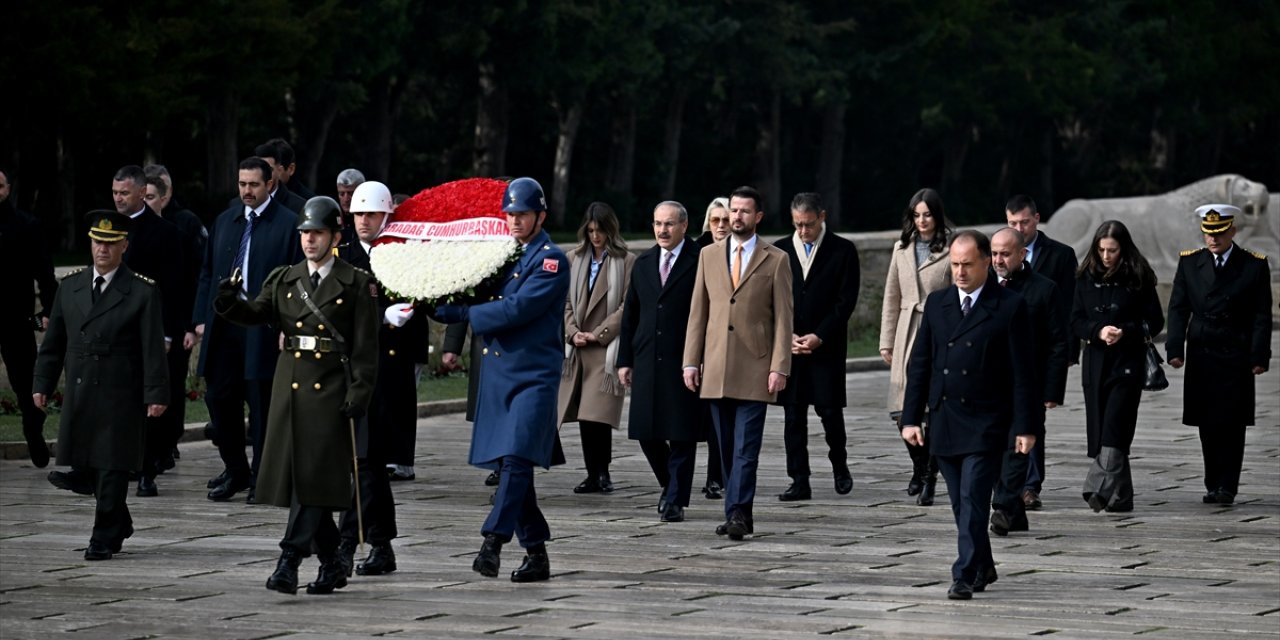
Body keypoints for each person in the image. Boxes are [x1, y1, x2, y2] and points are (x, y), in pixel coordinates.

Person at [214, 196, 379, 595]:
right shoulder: (284, 278)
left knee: (312, 476)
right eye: (305, 232)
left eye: (318, 233)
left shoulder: (356, 282)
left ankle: (288, 560)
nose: (309, 240)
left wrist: (359, 394)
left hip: (331, 390)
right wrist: (228, 301)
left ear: (335, 236)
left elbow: (365, 349)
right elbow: (256, 314)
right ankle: (332, 561)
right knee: (303, 481)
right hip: (291, 387)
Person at [432, 177, 570, 583]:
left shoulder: (551, 260)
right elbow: (477, 288)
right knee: (515, 465)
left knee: (515, 458)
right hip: (500, 375)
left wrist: (463, 316)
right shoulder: (503, 254)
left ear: (540, 216)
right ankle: (537, 553)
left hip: (533, 376)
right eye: (509, 213)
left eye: (522, 214)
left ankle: (491, 542)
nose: (514, 221)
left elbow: (518, 308)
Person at [900, 230, 1037, 600]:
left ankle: (962, 573)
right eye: (955, 265)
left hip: (987, 422)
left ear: (985, 263)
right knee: (962, 504)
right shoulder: (938, 304)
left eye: (967, 264)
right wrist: (911, 418)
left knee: (975, 499)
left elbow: (1024, 373)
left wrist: (1026, 426)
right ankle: (984, 565)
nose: (959, 272)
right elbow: (921, 365)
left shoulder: (1009, 305)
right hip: (944, 420)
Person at [33, 210, 169, 560]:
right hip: (81, 388)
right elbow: (54, 343)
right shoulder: (71, 286)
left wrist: (156, 393)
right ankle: (119, 520)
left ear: (124, 245)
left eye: (110, 243)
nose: (102, 250)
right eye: (97, 242)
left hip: (119, 389)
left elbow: (152, 347)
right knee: (88, 464)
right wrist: (42, 384)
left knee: (111, 465)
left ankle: (104, 536)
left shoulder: (141, 291)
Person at [683, 185, 793, 541]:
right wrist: (691, 361)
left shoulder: (775, 259)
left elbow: (784, 319)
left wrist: (780, 365)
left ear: (758, 217)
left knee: (746, 447)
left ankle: (737, 514)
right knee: (727, 447)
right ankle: (739, 512)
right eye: (734, 210)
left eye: (745, 211)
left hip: (756, 367)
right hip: (715, 366)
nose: (737, 217)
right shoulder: (708, 256)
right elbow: (698, 312)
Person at [194, 157, 303, 503]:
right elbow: (208, 272)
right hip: (224, 324)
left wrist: (288, 323)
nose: (246, 191)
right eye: (241, 184)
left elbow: (293, 279)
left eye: (253, 184)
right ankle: (235, 469)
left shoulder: (288, 224)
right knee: (219, 397)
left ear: (270, 184)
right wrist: (201, 316)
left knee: (261, 402)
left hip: (262, 325)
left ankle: (262, 476)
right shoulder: (227, 220)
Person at [335, 180, 428, 576]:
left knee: (367, 460)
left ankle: (347, 544)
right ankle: (379, 545)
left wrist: (396, 317)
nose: (363, 221)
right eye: (358, 214)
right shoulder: (344, 255)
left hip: (384, 373)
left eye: (371, 214)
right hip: (349, 369)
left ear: (387, 215)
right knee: (364, 463)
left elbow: (418, 298)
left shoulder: (401, 255)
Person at [1166, 205, 1272, 505]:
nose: (1213, 239)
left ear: (1233, 232)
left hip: (1234, 349)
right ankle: (1213, 482)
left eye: (1220, 233)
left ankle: (1228, 484)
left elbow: (1261, 315)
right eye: (1208, 233)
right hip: (1202, 349)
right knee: (1207, 420)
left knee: (1232, 421)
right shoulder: (1190, 263)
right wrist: (1175, 348)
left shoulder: (1253, 265)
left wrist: (1259, 355)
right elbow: (1177, 307)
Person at [618, 201, 703, 522]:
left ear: (683, 226)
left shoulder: (701, 260)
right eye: (657, 224)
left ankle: (675, 500)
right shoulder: (644, 262)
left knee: (681, 433)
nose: (662, 230)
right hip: (646, 358)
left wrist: (701, 357)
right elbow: (631, 313)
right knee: (646, 431)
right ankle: (671, 486)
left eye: (669, 224)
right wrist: (625, 359)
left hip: (684, 360)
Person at [1071, 220, 1163, 513]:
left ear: (1124, 249)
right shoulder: (1084, 278)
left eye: (1112, 250)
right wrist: (1097, 331)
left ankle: (1097, 486)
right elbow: (1074, 321)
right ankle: (1122, 498)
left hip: (1127, 363)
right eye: (1101, 250)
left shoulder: (1139, 277)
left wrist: (1125, 331)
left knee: (1115, 424)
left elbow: (1156, 321)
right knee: (1103, 429)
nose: (1106, 256)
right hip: (1095, 363)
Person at [774, 192, 860, 501]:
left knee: (830, 412)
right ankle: (799, 479)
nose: (803, 231)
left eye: (808, 225)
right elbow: (774, 300)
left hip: (827, 346)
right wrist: (787, 337)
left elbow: (845, 300)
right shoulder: (781, 250)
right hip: (792, 346)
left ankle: (840, 464)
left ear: (821, 217)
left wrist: (820, 335)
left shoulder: (843, 250)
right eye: (797, 225)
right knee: (793, 416)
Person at [112, 165, 187, 498]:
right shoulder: (108, 228)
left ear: (143, 193)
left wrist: (170, 333)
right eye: (115, 193)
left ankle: (148, 467)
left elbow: (173, 287)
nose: (118, 199)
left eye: (124, 193)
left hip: (151, 329)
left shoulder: (166, 233)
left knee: (151, 402)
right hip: (115, 330)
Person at [987, 228, 1068, 536]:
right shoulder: (983, 287)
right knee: (994, 448)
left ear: (1022, 254)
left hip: (1028, 385)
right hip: (989, 385)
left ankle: (1004, 507)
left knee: (1019, 448)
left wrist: (1052, 390)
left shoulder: (1044, 290)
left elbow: (1059, 343)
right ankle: (1016, 513)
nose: (998, 260)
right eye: (994, 253)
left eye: (1005, 254)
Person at [879, 188, 952, 506]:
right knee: (901, 411)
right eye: (916, 215)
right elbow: (891, 296)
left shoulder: (952, 248)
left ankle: (931, 477)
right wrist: (886, 339)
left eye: (927, 214)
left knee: (932, 410)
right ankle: (920, 466)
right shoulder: (901, 248)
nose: (922, 221)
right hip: (907, 332)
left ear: (937, 215)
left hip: (939, 333)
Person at [1005, 194, 1078, 509]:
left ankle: (1030, 485)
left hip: (1039, 356)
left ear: (1037, 218)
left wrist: (1062, 365)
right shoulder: (998, 254)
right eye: (1012, 223)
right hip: (1004, 358)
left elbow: (1069, 311)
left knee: (1032, 421)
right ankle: (1008, 481)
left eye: (1024, 221)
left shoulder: (1060, 256)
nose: (1019, 227)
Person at [558, 202, 635, 494]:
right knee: (584, 415)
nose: (595, 236)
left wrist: (598, 334)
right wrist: (573, 332)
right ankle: (593, 473)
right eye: (590, 231)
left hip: (606, 349)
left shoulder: (626, 261)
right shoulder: (573, 259)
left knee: (597, 414)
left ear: (610, 229)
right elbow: (565, 302)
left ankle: (602, 473)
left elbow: (628, 306)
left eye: (600, 230)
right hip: (577, 349)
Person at [144, 165, 208, 469]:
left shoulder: (185, 224)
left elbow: (196, 277)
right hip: (146, 321)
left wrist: (190, 324)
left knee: (171, 385)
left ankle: (167, 443)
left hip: (176, 319)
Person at [0, 168, 57, 468]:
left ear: (7, 189)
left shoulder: (26, 226)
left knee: (25, 383)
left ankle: (33, 432)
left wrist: (47, 311)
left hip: (16, 318)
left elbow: (45, 274)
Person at [691, 196, 730, 499]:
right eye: (715, 220)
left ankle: (717, 476)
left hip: (735, 348)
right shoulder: (697, 253)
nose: (721, 226)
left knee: (723, 417)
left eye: (726, 220)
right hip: (702, 346)